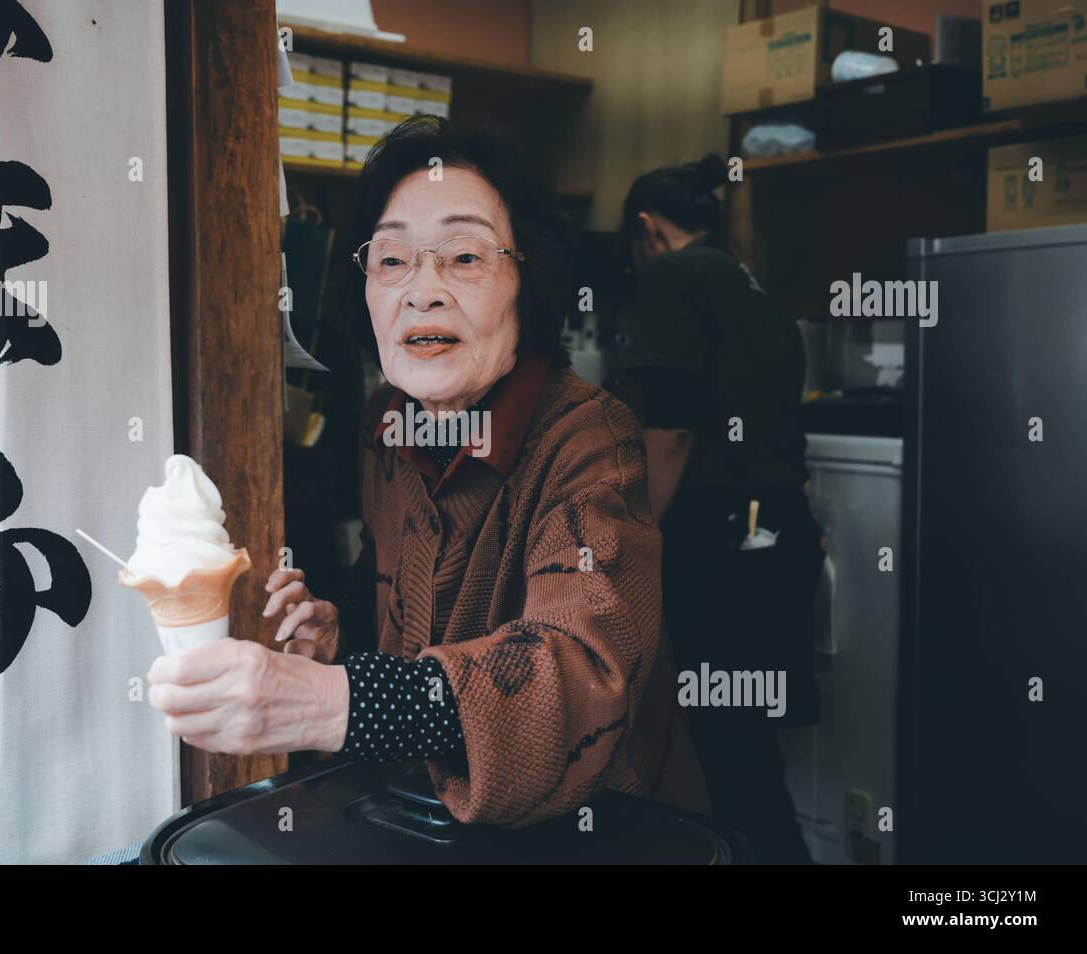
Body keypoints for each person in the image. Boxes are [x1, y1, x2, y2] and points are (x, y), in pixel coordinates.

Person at [146, 116, 709, 828]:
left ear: (528, 281)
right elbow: (394, 582)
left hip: (593, 834)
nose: (424, 290)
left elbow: (579, 674)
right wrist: (337, 633)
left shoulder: (590, 437)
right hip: (421, 819)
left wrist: (338, 701)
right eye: (392, 260)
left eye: (465, 257)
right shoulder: (390, 421)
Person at [616, 155, 824, 863]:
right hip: (778, 535)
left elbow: (671, 427)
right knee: (747, 752)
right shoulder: (754, 287)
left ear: (646, 229)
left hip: (719, 542)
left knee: (724, 760)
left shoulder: (670, 276)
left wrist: (630, 537)